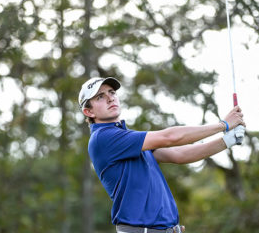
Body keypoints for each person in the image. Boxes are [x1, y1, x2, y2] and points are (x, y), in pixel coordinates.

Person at [78, 77, 245, 233]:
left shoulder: (127, 138)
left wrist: (226, 141)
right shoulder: (104, 138)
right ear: (89, 112)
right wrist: (223, 125)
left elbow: (179, 154)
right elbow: (170, 137)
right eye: (100, 96)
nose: (110, 98)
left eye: (112, 93)